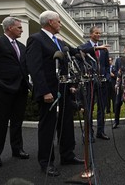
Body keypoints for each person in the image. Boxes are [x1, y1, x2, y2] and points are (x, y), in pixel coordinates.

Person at [26, 10, 83, 176]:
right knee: (48, 128)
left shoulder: (58, 41)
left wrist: (71, 85)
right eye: (59, 21)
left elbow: (67, 63)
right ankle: (46, 162)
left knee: (66, 125)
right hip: (49, 93)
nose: (61, 24)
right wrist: (44, 91)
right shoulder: (36, 40)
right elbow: (35, 68)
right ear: (50, 22)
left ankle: (67, 155)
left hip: (64, 90)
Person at [0, 17, 30, 168]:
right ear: (9, 28)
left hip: (21, 89)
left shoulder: (21, 46)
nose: (22, 30)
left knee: (17, 121)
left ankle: (17, 149)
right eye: (19, 28)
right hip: (3, 89)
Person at [78, 26, 110, 141]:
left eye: (99, 33)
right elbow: (79, 51)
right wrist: (97, 48)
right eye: (96, 33)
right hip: (89, 82)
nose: (98, 35)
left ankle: (100, 131)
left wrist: (106, 76)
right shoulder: (85, 46)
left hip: (102, 82)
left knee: (101, 107)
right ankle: (89, 133)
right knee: (89, 108)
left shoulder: (104, 50)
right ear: (91, 34)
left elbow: (106, 66)